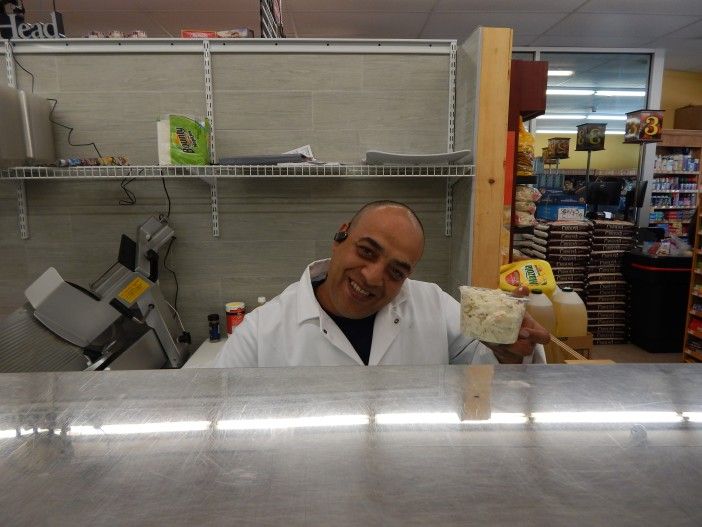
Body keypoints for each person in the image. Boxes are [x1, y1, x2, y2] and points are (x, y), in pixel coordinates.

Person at [214, 200, 549, 367]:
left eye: (396, 272)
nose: (373, 277)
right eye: (366, 251)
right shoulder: (259, 334)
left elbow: (485, 380)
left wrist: (511, 349)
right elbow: (219, 420)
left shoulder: (435, 306)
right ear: (340, 235)